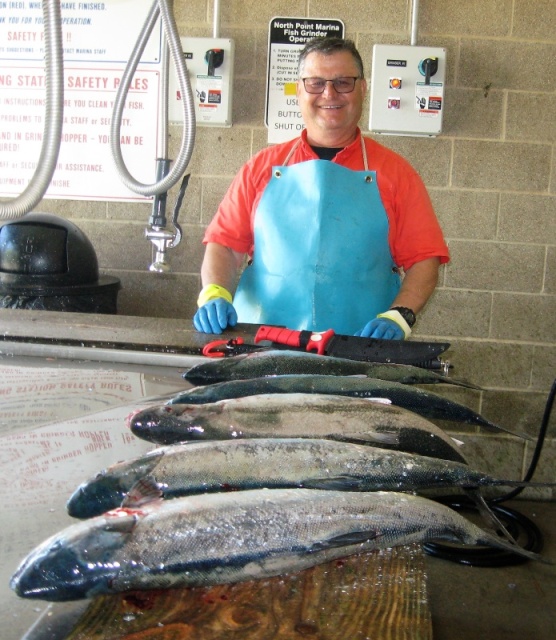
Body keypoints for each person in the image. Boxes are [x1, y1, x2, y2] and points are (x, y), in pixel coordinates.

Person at [194, 37, 449, 339]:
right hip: (264, 344)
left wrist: (400, 315)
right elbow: (224, 244)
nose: (329, 93)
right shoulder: (259, 169)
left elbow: (424, 260)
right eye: (315, 83)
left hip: (360, 346)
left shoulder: (397, 174)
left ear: (363, 89)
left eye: (343, 82)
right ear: (299, 90)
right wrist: (213, 292)